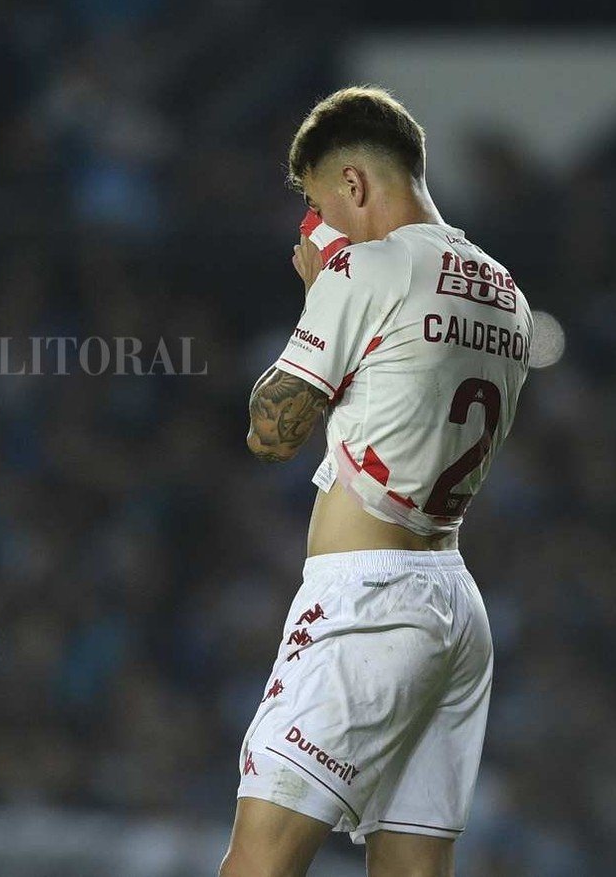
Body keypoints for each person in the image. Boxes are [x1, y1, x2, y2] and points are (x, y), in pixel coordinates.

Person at [222, 88, 532, 877]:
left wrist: (319, 291)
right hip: (453, 600)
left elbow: (272, 433)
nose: (314, 224)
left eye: (318, 201)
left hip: (366, 599)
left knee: (257, 864)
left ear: (352, 185)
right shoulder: (506, 292)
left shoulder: (366, 266)